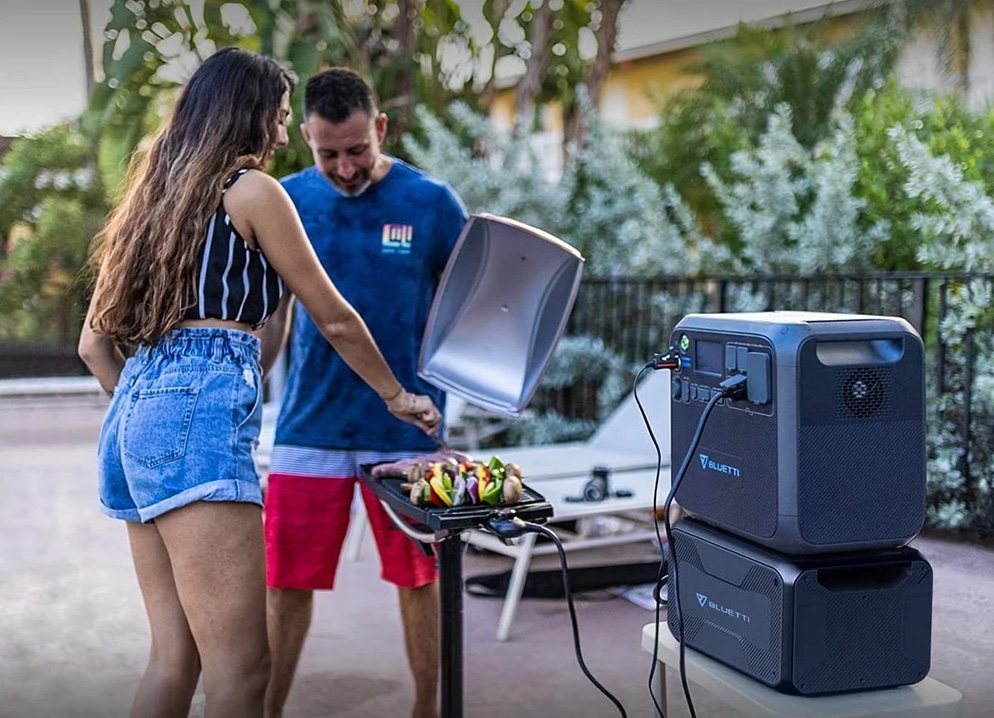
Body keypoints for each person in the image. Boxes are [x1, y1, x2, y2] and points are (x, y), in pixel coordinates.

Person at [77, 48, 442, 718]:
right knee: (244, 674)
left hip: (129, 423)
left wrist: (155, 414)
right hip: (195, 422)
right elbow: (332, 315)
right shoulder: (253, 191)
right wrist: (397, 395)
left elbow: (93, 345)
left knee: (173, 660)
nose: (281, 135)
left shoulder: (152, 200)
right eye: (276, 117)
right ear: (246, 117)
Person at [262, 68, 468, 718]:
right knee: (286, 583)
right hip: (308, 426)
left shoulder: (431, 202)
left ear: (380, 128)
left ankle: (426, 711)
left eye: (357, 149)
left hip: (406, 430)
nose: (345, 167)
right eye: (329, 154)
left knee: (420, 578)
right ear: (306, 139)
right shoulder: (286, 201)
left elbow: (471, 308)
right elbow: (271, 319)